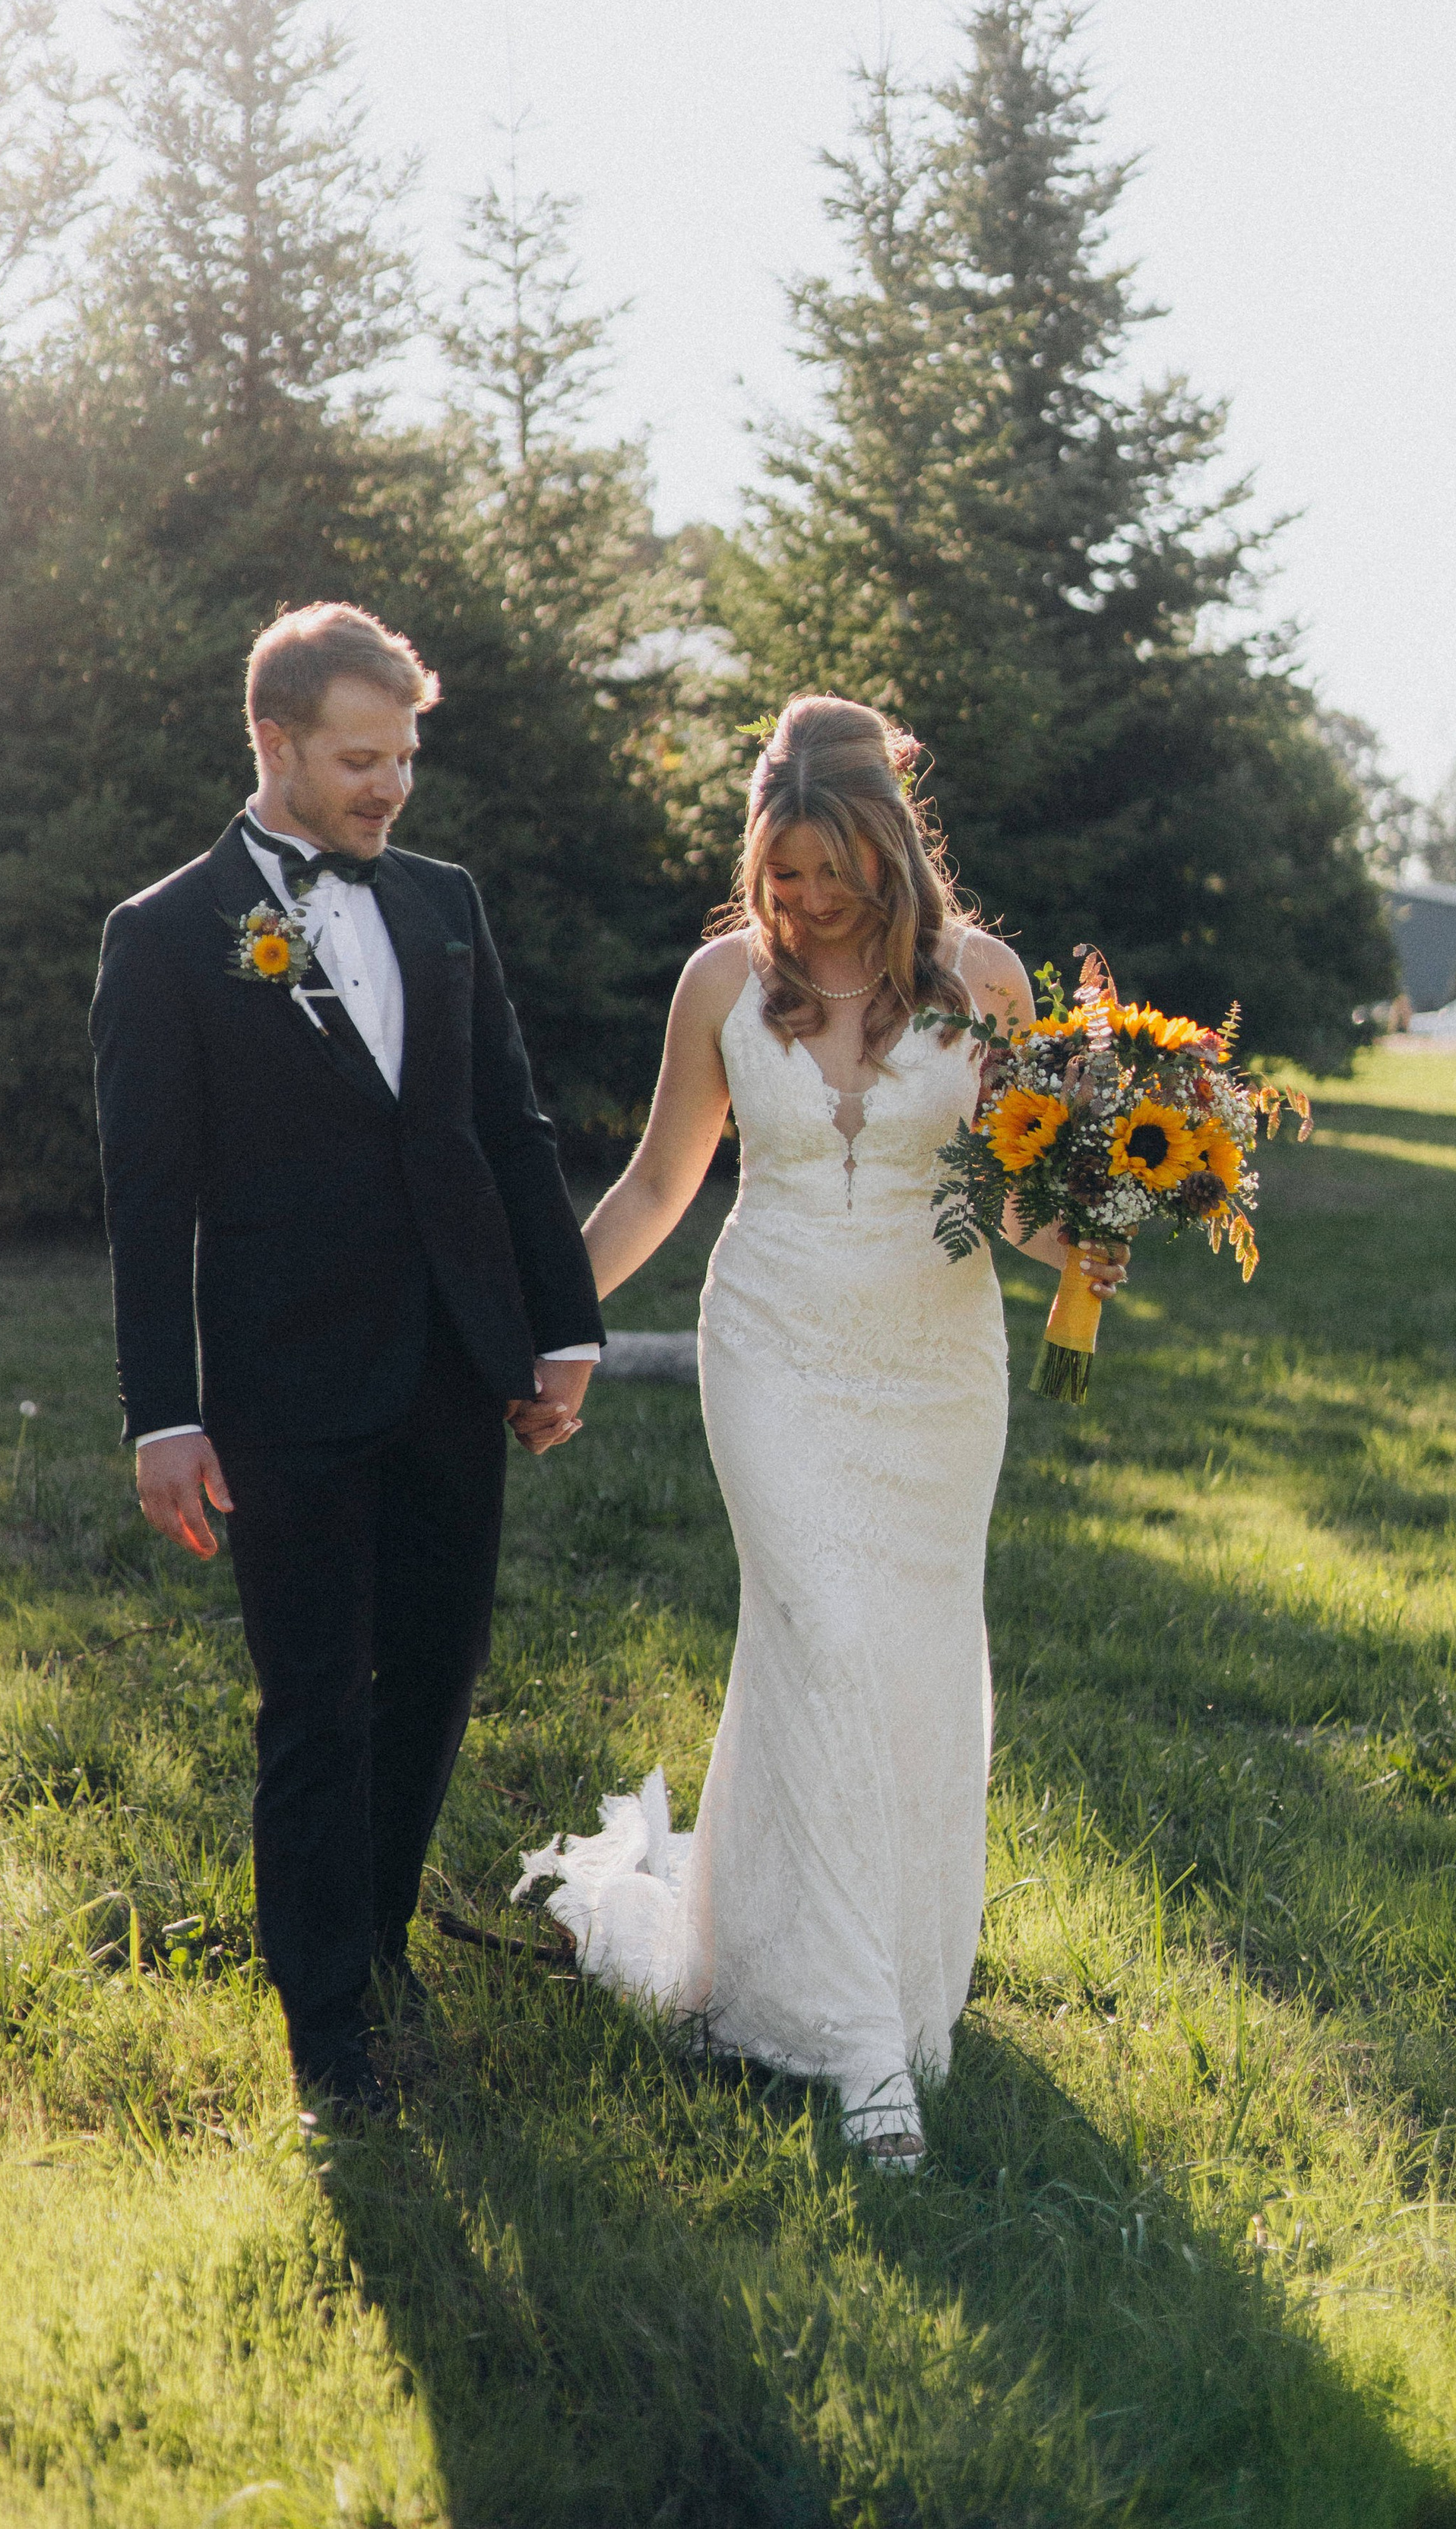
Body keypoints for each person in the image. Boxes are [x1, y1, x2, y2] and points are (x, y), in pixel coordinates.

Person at [514, 695, 1125, 2167]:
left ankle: (851, 1981)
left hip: (932, 1371)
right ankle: (856, 2050)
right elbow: (659, 1186)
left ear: (889, 853)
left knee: (899, 1662)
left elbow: (1026, 1197)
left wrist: (1107, 1224)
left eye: (824, 876)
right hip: (773, 1354)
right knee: (825, 1634)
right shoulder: (721, 979)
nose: (796, 902)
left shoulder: (980, 979)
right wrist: (546, 1324)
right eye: (774, 874)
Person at [91, 601, 602, 2119]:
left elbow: (501, 1127)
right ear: (274, 743)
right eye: (358, 759)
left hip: (452, 1363)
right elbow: (147, 1206)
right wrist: (162, 1417)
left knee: (433, 1677)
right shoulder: (168, 934)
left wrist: (553, 1329)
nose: (388, 788)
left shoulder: (442, 903)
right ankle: (325, 2032)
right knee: (316, 1699)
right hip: (282, 1386)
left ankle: (375, 1952)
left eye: (403, 759)